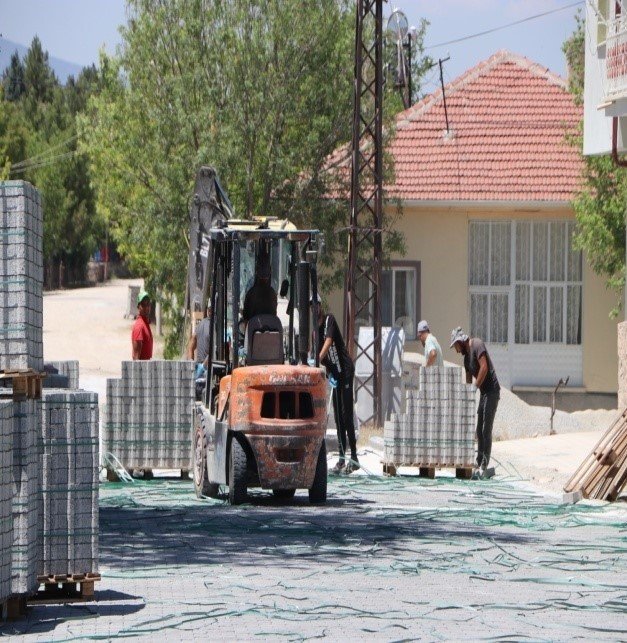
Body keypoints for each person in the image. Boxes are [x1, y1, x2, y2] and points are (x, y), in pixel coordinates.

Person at [315, 300, 359, 474]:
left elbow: (329, 342)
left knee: (346, 415)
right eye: (311, 306)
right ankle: (342, 458)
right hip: (336, 376)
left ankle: (354, 457)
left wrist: (317, 358)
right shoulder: (315, 331)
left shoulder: (329, 321)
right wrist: (327, 373)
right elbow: (318, 352)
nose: (314, 309)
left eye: (316, 305)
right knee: (338, 417)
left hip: (346, 372)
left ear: (320, 307)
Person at [450, 327, 500, 478]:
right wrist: (465, 396)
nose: (457, 350)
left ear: (461, 341)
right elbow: (467, 381)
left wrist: (474, 387)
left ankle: (485, 463)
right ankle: (478, 462)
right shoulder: (466, 359)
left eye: (456, 346)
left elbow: (484, 367)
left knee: (486, 428)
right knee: (479, 429)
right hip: (484, 393)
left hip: (492, 391)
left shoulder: (477, 344)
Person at [188, 303, 211, 378]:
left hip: (199, 367)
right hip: (208, 368)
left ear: (208, 310)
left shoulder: (200, 324)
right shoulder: (214, 325)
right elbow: (213, 350)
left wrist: (191, 364)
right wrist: (203, 366)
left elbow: (191, 347)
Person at [131, 290, 153, 360]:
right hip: (142, 370)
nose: (146, 307)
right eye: (143, 304)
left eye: (148, 304)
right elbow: (136, 358)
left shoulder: (145, 323)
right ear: (138, 307)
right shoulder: (139, 327)